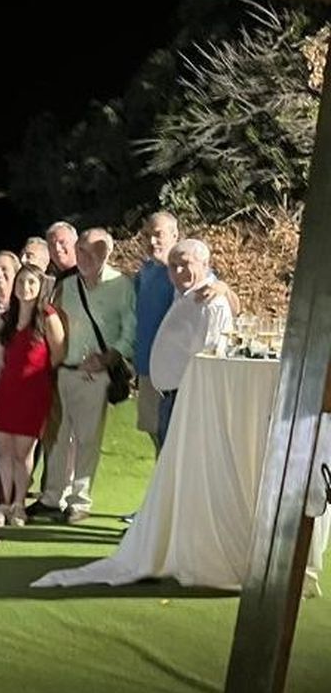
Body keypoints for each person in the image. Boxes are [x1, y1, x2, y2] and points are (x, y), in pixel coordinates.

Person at [37, 227, 136, 524]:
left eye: (94, 251)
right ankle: (52, 497)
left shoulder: (121, 285)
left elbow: (130, 330)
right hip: (63, 371)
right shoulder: (66, 286)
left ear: (108, 252)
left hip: (96, 375)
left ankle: (79, 501)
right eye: (81, 250)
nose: (85, 256)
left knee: (87, 439)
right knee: (57, 438)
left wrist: (110, 356)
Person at [0, 264, 64, 526]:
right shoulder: (7, 318)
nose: (25, 287)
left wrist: (38, 380)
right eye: (21, 282)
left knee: (23, 453)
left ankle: (19, 504)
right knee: (4, 452)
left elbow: (58, 354)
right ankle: (4, 503)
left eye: (31, 282)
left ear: (40, 286)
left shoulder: (48, 316)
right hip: (5, 392)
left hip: (33, 393)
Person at [149, 238, 234, 449]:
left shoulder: (211, 302)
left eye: (186, 264)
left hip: (190, 401)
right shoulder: (182, 294)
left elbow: (212, 357)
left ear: (205, 265)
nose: (178, 271)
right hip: (171, 398)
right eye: (173, 266)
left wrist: (194, 404)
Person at [133, 211, 180, 450]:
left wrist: (223, 290)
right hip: (146, 369)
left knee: (172, 439)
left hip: (174, 372)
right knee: (155, 434)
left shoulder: (185, 270)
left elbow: (217, 292)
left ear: (175, 235)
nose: (152, 241)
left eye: (158, 234)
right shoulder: (145, 273)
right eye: (147, 235)